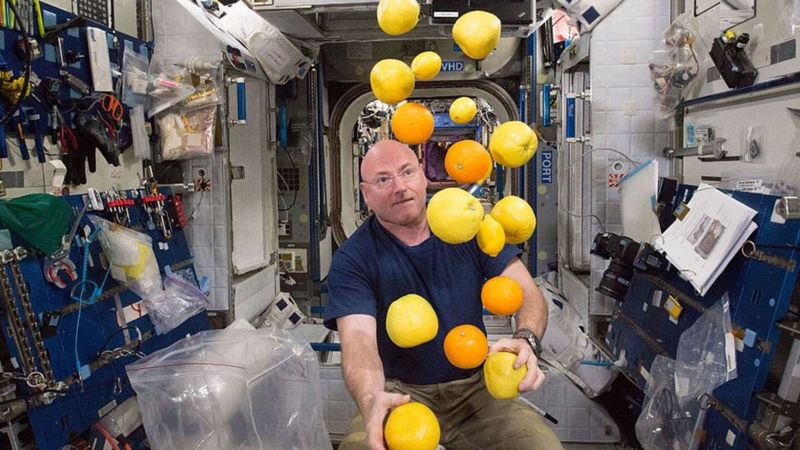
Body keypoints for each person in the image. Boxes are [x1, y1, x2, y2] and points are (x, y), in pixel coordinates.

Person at [324, 139, 563, 450]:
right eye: (383, 179)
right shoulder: (353, 258)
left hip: (477, 389)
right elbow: (358, 339)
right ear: (365, 194)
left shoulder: (472, 228)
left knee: (541, 446)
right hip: (400, 393)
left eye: (407, 172)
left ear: (423, 176)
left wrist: (526, 339)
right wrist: (371, 399)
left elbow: (526, 292)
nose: (400, 187)